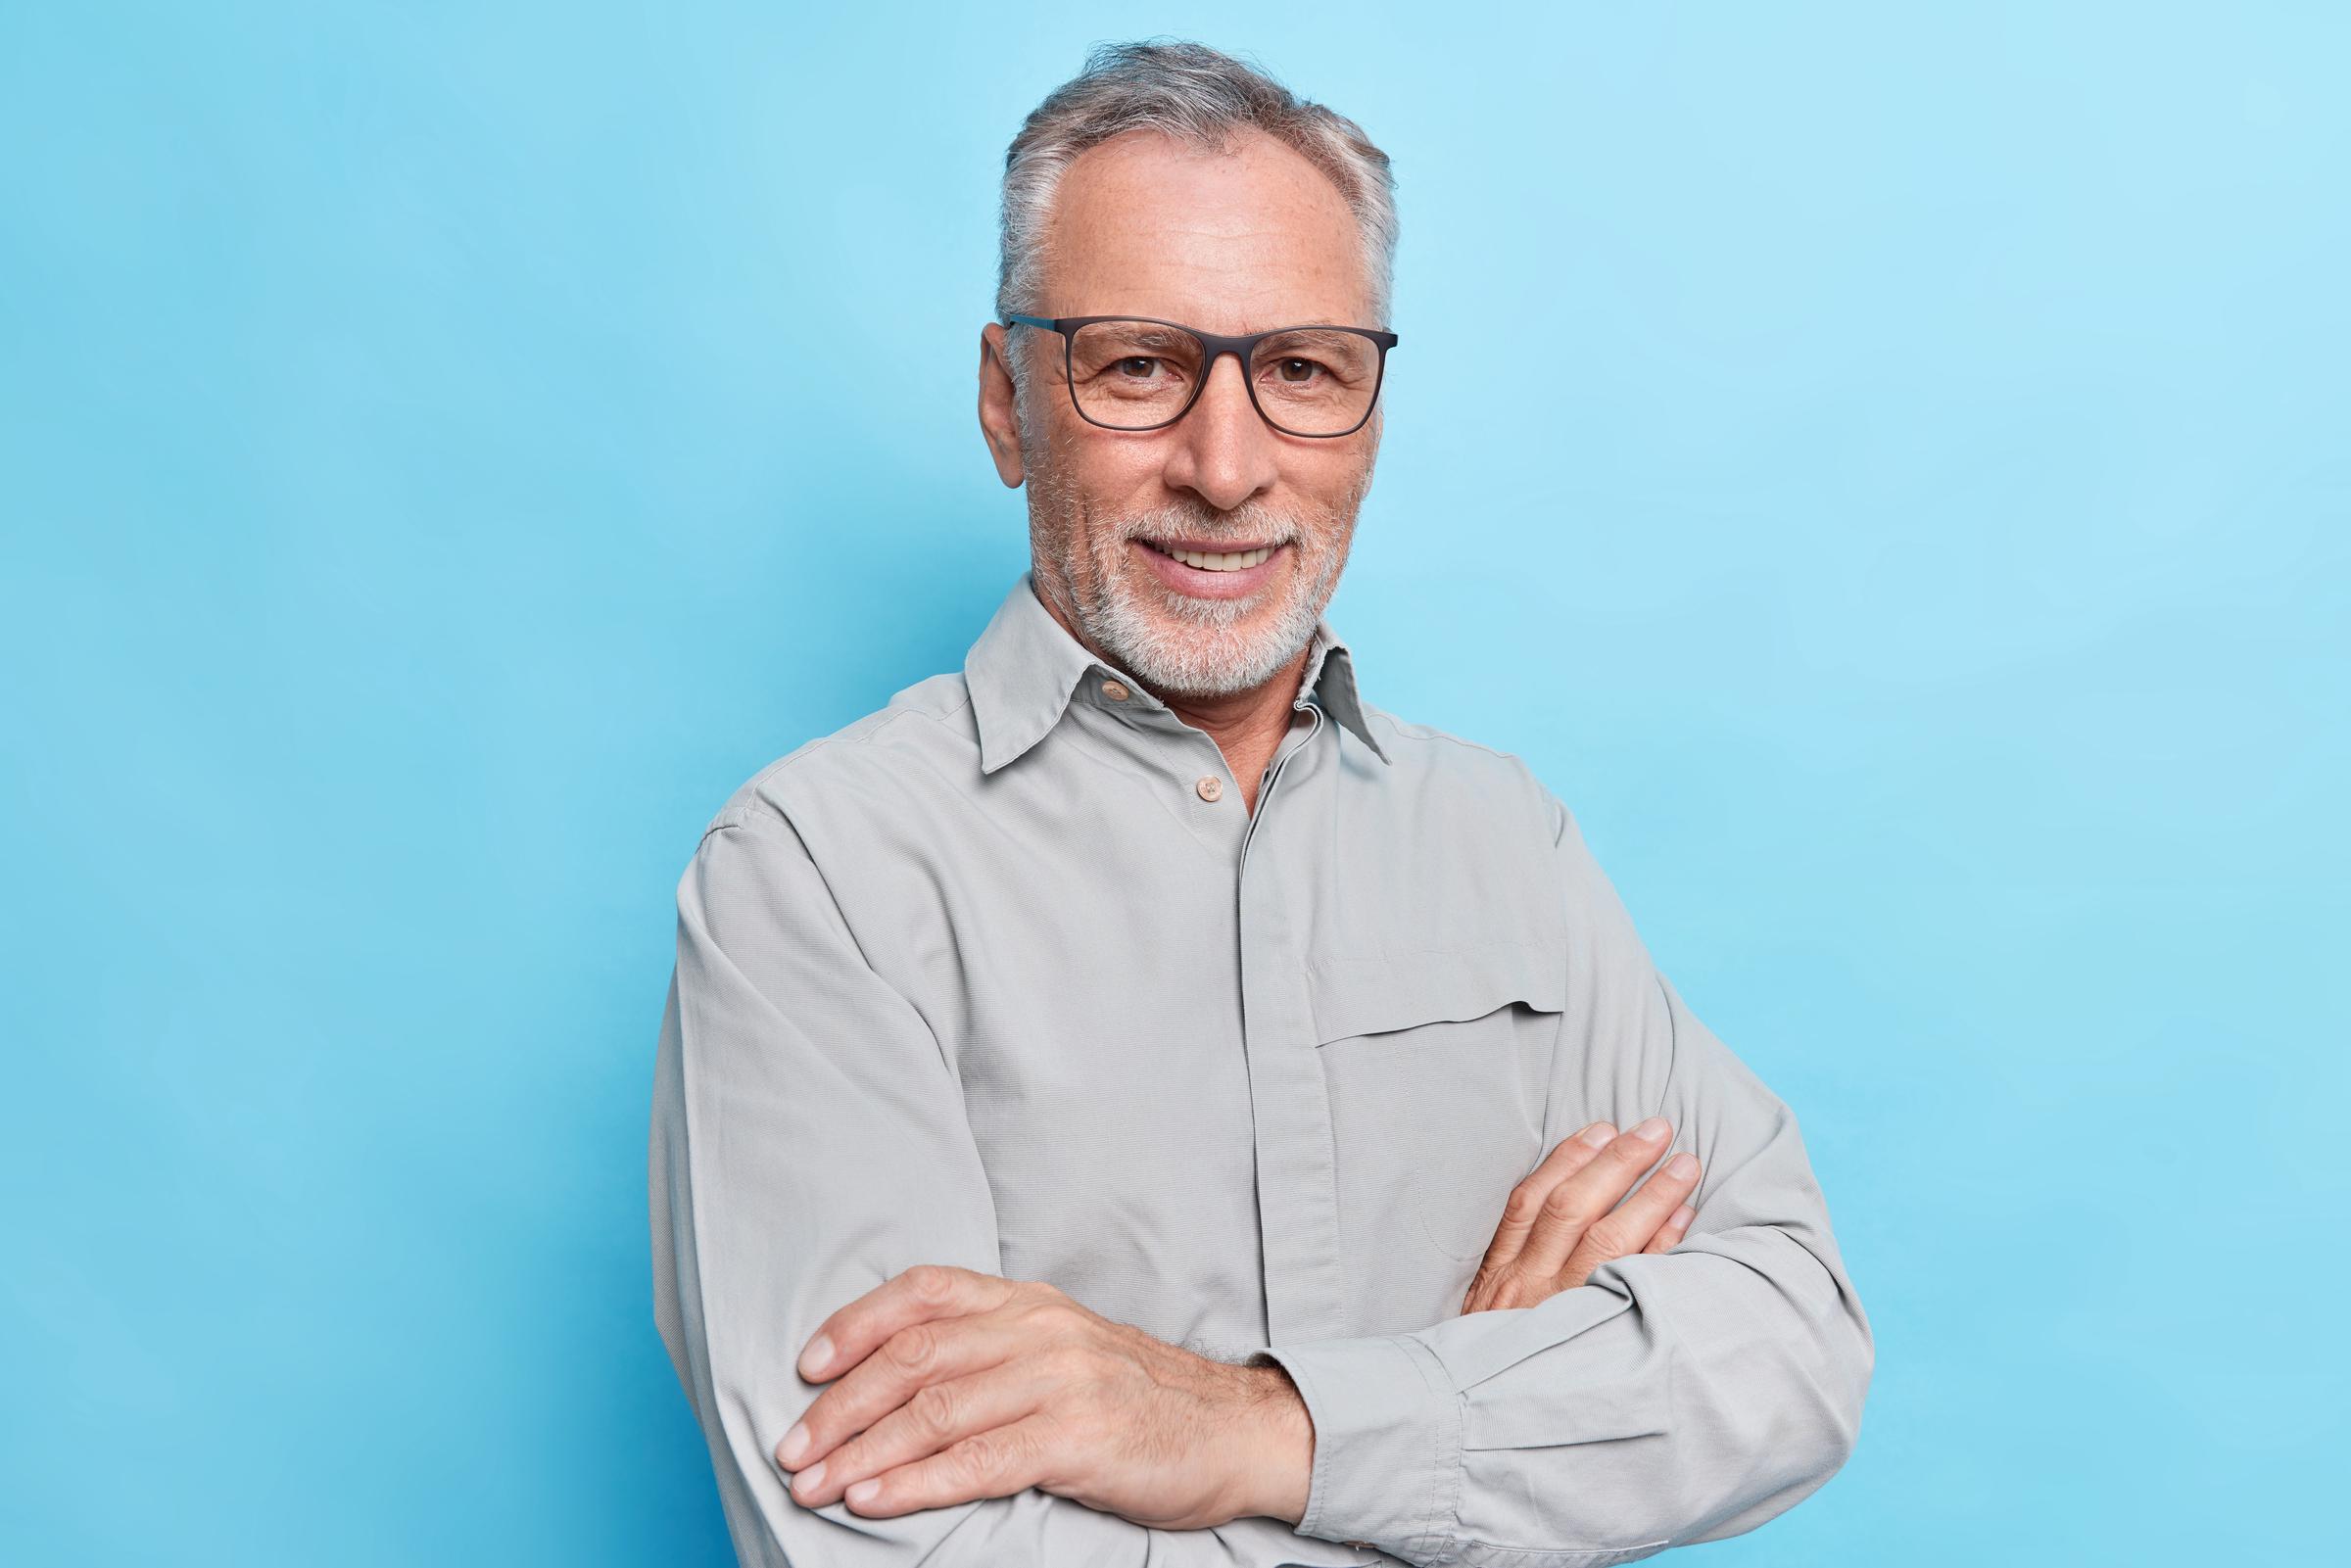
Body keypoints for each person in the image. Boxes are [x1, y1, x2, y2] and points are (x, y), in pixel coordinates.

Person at [648, 38, 1873, 1568]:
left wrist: (1247, 1428)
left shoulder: (1507, 840)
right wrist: (1484, 1444)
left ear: (1367, 407)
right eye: (1139, 365)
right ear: (1007, 401)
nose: (1226, 468)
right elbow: (908, 1551)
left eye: (1302, 370)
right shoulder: (818, 878)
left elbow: (1793, 1344)